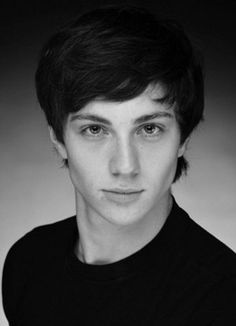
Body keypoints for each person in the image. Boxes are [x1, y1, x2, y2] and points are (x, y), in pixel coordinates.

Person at [2, 5, 236, 326]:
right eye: (95, 129)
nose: (125, 166)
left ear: (182, 139)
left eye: (149, 128)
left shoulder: (223, 297)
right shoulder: (27, 264)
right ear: (58, 140)